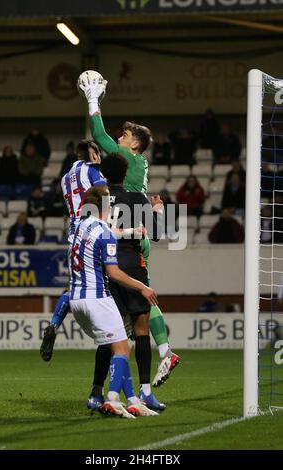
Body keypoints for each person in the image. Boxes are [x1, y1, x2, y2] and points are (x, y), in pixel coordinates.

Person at [78, 72, 180, 388]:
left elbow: (97, 132)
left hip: (127, 229)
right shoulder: (137, 162)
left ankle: (159, 356)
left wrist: (93, 98)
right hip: (134, 224)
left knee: (134, 303)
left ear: (134, 144)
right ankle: (161, 353)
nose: (119, 137)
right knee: (137, 299)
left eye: (125, 134)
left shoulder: (128, 157)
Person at [70, 185, 158, 418]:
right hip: (97, 297)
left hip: (76, 299)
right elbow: (114, 273)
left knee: (119, 344)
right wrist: (143, 286)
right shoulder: (105, 232)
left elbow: (111, 231)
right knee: (121, 349)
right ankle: (112, 398)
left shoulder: (78, 227)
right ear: (106, 205)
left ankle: (132, 401)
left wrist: (129, 230)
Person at [93, 153, 166, 412]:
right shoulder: (136, 198)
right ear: (125, 175)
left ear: (104, 173)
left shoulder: (97, 197)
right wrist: (157, 210)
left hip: (104, 268)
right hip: (132, 267)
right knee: (141, 329)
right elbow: (156, 234)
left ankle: (97, 392)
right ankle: (145, 392)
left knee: (110, 333)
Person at [40, 140, 106, 361]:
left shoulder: (66, 177)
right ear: (92, 154)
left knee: (74, 285)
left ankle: (53, 325)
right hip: (93, 228)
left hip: (74, 232)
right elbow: (106, 196)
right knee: (107, 278)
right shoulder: (93, 170)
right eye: (98, 152)